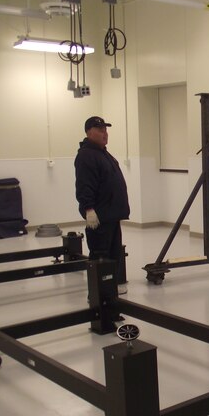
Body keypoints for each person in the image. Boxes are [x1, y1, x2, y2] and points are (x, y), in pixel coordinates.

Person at [75, 116, 130, 294]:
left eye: (106, 130)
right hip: (100, 218)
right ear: (89, 132)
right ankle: (99, 294)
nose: (105, 134)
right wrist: (88, 208)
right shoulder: (86, 155)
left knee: (113, 256)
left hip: (112, 216)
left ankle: (110, 289)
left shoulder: (103, 153)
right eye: (100, 130)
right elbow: (85, 185)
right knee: (100, 257)